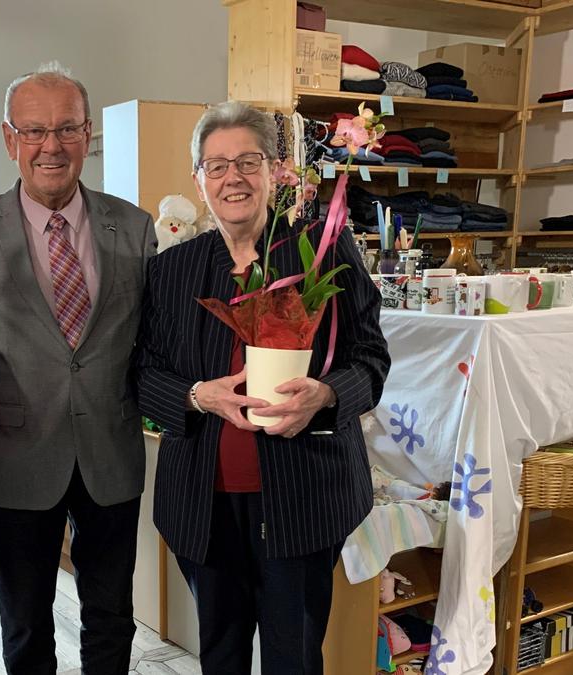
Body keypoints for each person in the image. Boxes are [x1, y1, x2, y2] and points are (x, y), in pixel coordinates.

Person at [135, 101, 391, 674]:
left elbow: (370, 358)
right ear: (199, 182)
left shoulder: (322, 251)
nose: (234, 177)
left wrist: (325, 396)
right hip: (204, 502)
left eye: (248, 161)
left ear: (275, 170)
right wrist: (198, 395)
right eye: (216, 165)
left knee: (293, 657)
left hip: (304, 498)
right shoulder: (172, 271)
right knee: (220, 654)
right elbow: (144, 373)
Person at [0, 62, 157, 675]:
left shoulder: (135, 226)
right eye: (34, 131)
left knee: (113, 616)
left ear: (88, 136)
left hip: (110, 450)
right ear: (10, 139)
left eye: (67, 129)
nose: (51, 146)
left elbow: (149, 340)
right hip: (16, 453)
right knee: (26, 622)